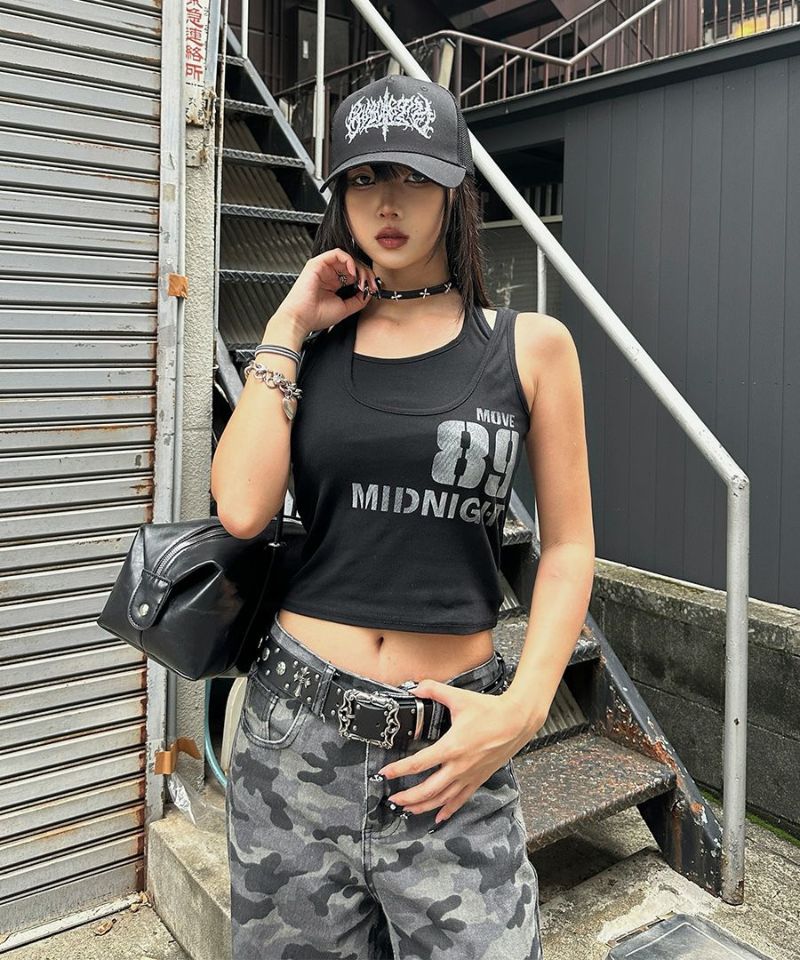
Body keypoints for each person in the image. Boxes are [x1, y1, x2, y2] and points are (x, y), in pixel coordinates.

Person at [212, 73, 594, 960]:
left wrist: (525, 708)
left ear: (454, 188)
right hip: (293, 735)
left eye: (413, 176)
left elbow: (571, 545)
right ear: (340, 196)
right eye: (363, 177)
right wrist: (288, 322)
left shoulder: (530, 347)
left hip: (453, 749)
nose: (387, 202)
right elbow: (241, 507)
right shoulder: (313, 345)